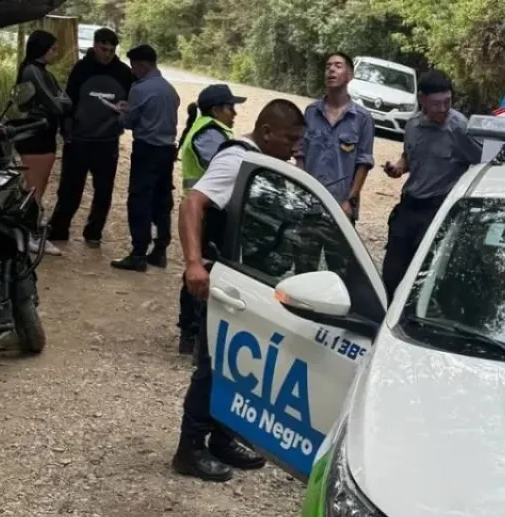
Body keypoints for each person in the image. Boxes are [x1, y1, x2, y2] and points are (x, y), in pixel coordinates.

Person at [173, 99, 305, 481]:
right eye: (289, 138)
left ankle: (221, 437)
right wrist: (194, 263)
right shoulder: (237, 160)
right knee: (214, 365)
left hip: (252, 280)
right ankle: (190, 448)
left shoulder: (265, 160)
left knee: (239, 365)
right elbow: (192, 203)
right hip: (225, 280)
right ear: (266, 133)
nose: (295, 146)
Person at [381, 68, 482, 300]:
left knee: (420, 278)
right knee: (391, 273)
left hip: (436, 211)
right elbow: (409, 156)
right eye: (436, 104)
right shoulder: (413, 126)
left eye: (448, 102)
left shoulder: (459, 128)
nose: (443, 109)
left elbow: (479, 162)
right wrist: (398, 167)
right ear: (422, 100)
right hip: (408, 208)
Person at [175, 83, 247, 356]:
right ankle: (190, 334)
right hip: (204, 211)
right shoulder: (209, 133)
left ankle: (193, 333)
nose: (235, 113)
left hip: (206, 208)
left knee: (205, 268)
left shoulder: (211, 129)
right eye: (231, 107)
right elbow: (221, 170)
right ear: (217, 109)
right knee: (199, 270)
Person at [47, 27, 134, 248]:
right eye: (103, 49)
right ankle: (59, 229)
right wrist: (66, 131)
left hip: (107, 142)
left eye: (112, 50)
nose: (107, 54)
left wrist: (125, 111)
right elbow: (68, 102)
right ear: (95, 46)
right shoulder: (81, 69)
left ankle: (94, 232)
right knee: (69, 188)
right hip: (79, 139)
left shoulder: (124, 73)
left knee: (103, 190)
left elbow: (133, 104)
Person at [111, 44, 180, 272]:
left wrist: (121, 112)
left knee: (139, 199)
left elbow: (130, 122)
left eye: (134, 67)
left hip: (147, 149)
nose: (133, 71)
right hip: (167, 150)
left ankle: (138, 253)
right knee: (162, 199)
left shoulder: (140, 89)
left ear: (141, 65)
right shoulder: (170, 90)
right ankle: (160, 251)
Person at [294, 51, 375, 222]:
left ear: (350, 75)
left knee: (337, 250)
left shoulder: (362, 119)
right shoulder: (311, 112)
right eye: (328, 66)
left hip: (341, 207)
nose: (331, 70)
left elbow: (364, 163)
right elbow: (300, 155)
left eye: (338, 66)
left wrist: (350, 202)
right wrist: (300, 192)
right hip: (309, 204)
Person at [15, 29, 72, 256]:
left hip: (44, 136)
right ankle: (31, 235)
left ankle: (27, 233)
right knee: (34, 190)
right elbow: (58, 103)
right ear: (41, 49)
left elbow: (62, 97)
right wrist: (63, 102)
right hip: (35, 137)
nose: (56, 53)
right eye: (53, 49)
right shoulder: (33, 71)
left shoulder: (42, 72)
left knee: (36, 187)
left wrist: (63, 100)